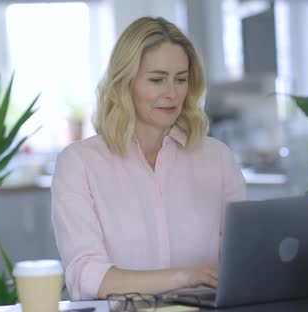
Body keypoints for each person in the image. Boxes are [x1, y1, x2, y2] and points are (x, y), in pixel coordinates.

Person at [51, 16, 247, 301]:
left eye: (180, 79)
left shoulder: (217, 158)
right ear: (124, 83)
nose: (172, 94)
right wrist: (187, 276)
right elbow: (86, 276)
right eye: (157, 80)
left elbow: (243, 259)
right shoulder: (79, 163)